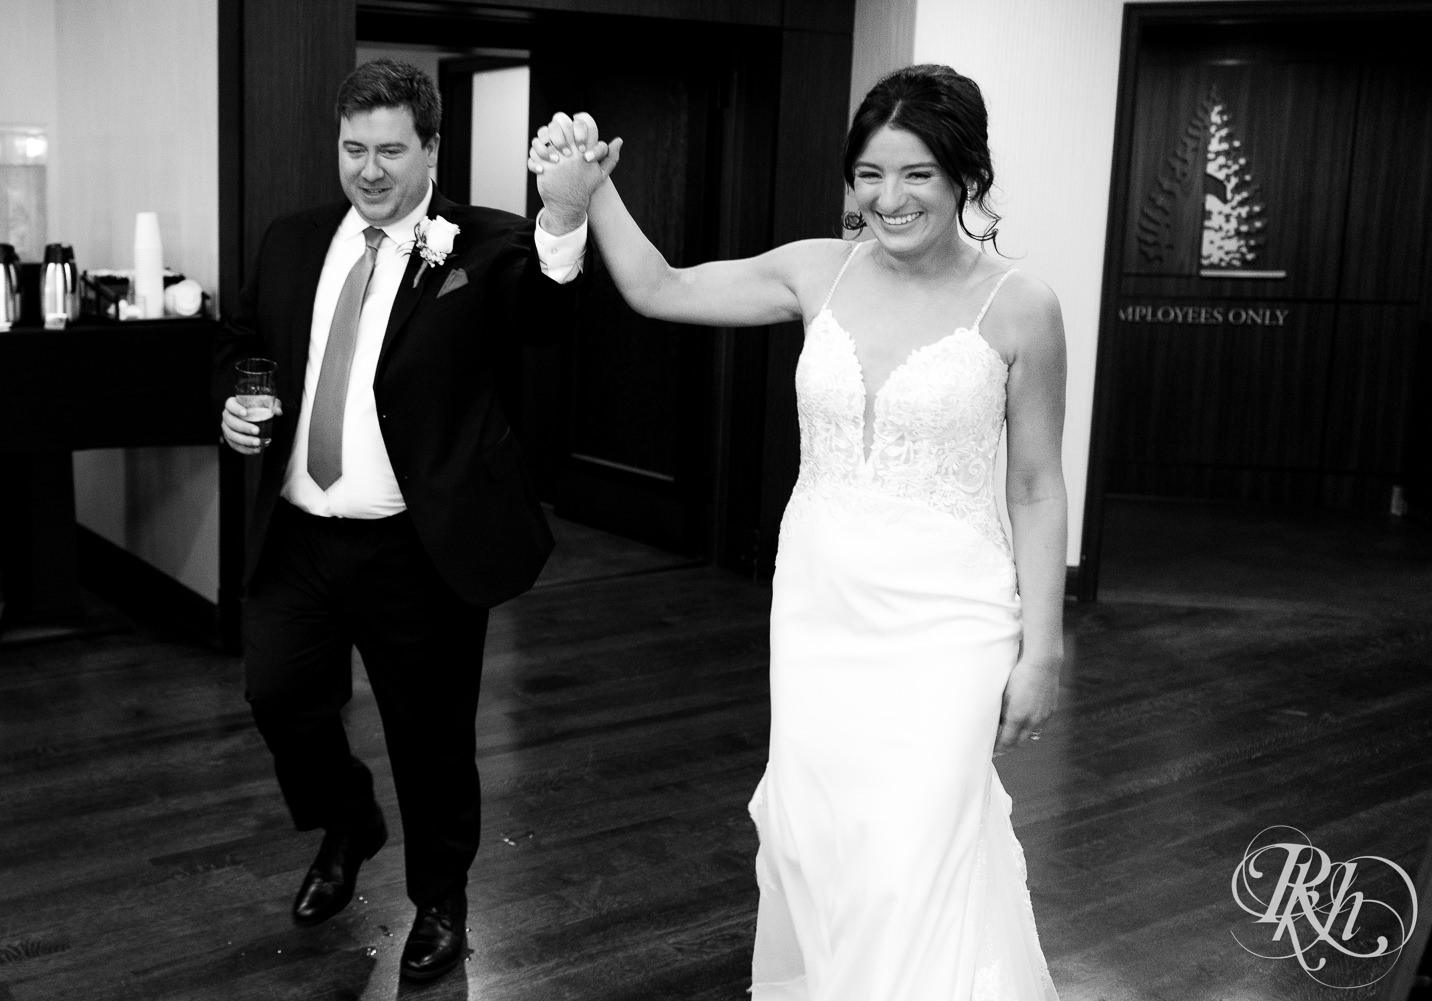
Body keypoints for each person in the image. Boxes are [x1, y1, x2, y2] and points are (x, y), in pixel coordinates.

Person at [530, 63, 1065, 1000]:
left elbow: (1034, 488)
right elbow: (659, 288)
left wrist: (1044, 650)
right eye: (868, 174)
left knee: (915, 845)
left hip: (950, 618)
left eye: (915, 175)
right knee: (823, 838)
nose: (888, 199)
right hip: (819, 604)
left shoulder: (1022, 306)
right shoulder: (818, 268)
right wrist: (595, 187)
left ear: (965, 177)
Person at [213, 58, 593, 983]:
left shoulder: (481, 246)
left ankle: (441, 899)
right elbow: (244, 342)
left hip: (417, 547)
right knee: (276, 694)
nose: (370, 170)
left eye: (391, 150)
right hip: (299, 533)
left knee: (430, 736)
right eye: (354, 149)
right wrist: (232, 398)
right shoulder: (293, 239)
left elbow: (544, 309)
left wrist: (566, 212)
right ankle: (348, 817)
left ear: (431, 149)